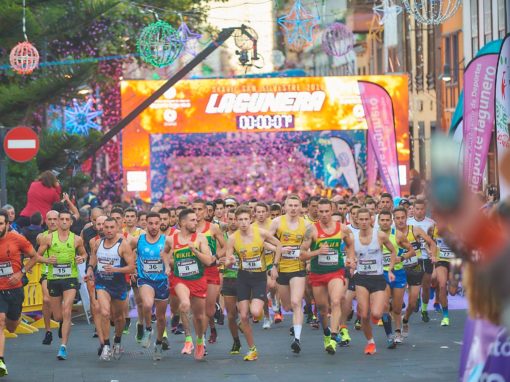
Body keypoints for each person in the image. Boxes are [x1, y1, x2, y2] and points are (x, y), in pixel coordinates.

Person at [225, 206, 282, 361]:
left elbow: (279, 246)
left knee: (255, 312)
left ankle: (262, 311)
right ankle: (252, 350)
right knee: (243, 316)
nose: (243, 223)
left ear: (250, 219)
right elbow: (228, 260)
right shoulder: (232, 238)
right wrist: (229, 261)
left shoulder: (261, 233)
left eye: (245, 219)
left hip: (259, 278)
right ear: (235, 221)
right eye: (240, 220)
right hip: (242, 277)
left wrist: (274, 267)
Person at [300, 198, 353, 355]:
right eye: (320, 211)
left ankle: (333, 337)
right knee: (323, 310)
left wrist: (351, 258)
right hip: (317, 274)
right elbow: (302, 255)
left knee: (336, 301)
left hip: (336, 271)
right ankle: (326, 334)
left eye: (326, 211)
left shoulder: (342, 229)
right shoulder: (312, 230)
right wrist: (317, 252)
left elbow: (350, 244)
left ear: (332, 210)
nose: (323, 214)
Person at [35, 210, 87, 360]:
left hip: (70, 278)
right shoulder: (48, 239)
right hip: (53, 279)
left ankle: (63, 346)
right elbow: (37, 256)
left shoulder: (77, 239)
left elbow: (84, 254)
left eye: (67, 219)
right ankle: (62, 322)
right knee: (58, 316)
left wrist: (81, 258)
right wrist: (47, 260)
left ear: (71, 222)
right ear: (57, 222)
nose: (64, 222)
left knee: (67, 310)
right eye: (61, 219)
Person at [164, 208, 215, 361]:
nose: (196, 222)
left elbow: (208, 261)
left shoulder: (200, 238)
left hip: (198, 280)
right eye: (192, 220)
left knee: (199, 317)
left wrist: (195, 251)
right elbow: (164, 253)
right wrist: (167, 266)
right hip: (180, 279)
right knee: (185, 303)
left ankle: (199, 341)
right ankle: (187, 338)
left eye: (196, 219)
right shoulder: (171, 239)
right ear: (182, 222)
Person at [87, 217, 135, 361]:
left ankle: (118, 341)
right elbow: (93, 257)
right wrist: (90, 268)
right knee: (105, 312)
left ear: (117, 228)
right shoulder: (98, 243)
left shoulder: (123, 245)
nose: (108, 230)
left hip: (118, 286)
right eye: (106, 227)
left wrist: (115, 269)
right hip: (102, 284)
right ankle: (106, 345)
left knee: (119, 318)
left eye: (111, 227)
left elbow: (132, 267)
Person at [351, 208, 397, 354]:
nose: (364, 222)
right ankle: (370, 342)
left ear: (371, 220)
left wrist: (389, 270)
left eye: (366, 219)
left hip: (377, 278)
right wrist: (351, 263)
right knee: (364, 314)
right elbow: (350, 256)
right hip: (361, 278)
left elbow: (393, 251)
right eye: (361, 219)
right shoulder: (352, 238)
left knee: (377, 314)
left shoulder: (380, 235)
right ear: (356, 220)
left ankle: (381, 326)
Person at [269, 194, 310, 353]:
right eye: (290, 205)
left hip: (298, 268)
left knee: (296, 302)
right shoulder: (277, 222)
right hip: (282, 269)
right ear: (284, 207)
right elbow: (264, 241)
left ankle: (297, 339)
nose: (293, 208)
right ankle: (295, 320)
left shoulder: (306, 225)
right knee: (287, 305)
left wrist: (307, 259)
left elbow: (310, 245)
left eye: (296, 205)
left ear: (300, 207)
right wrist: (278, 248)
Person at [0, 209, 37, 376]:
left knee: (12, 326)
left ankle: (16, 317)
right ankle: (1, 360)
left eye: (1, 223)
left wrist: (21, 273)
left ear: (7, 224)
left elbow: (34, 256)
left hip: (15, 289)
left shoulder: (17, 238)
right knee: (0, 321)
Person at [129, 212, 169, 360]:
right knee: (146, 304)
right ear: (145, 223)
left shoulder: (166, 241)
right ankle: (147, 328)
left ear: (160, 224)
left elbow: (172, 260)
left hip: (162, 281)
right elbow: (125, 251)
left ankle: (158, 345)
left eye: (156, 223)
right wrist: (131, 267)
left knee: (161, 318)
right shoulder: (138, 240)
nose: (153, 226)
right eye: (150, 223)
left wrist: (167, 263)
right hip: (145, 280)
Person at [393, 207, 436, 338]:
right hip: (398, 269)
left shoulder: (415, 230)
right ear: (393, 219)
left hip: (415, 267)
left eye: (402, 217)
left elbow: (431, 243)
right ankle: (397, 330)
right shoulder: (390, 234)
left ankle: (405, 319)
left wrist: (433, 255)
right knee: (397, 303)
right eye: (397, 218)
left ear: (406, 218)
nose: (400, 220)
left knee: (412, 303)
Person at [191, 199, 226, 345]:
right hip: (195, 272)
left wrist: (215, 257)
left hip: (211, 271)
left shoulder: (213, 228)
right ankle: (201, 341)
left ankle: (212, 327)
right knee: (199, 310)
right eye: (194, 209)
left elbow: (225, 247)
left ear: (206, 211)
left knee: (209, 310)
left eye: (200, 209)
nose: (197, 212)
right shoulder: (187, 230)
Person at [378, 210, 415, 344]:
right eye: (382, 220)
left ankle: (398, 330)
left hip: (398, 273)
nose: (385, 222)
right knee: (385, 304)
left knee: (397, 307)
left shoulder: (398, 235)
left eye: (387, 220)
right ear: (378, 221)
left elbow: (412, 251)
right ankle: (390, 334)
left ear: (391, 221)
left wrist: (402, 257)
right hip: (382, 273)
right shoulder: (374, 236)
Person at [407, 199, 436, 323]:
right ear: (413, 209)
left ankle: (424, 310)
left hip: (426, 258)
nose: (419, 211)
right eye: (417, 209)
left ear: (425, 209)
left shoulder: (431, 223)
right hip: (413, 258)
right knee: (412, 284)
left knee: (426, 286)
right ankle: (415, 297)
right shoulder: (408, 222)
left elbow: (434, 242)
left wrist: (433, 255)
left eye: (422, 209)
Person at [35, 210, 59, 345]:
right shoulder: (41, 237)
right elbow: (36, 256)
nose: (52, 222)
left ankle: (61, 321)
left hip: (63, 274)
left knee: (57, 303)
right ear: (45, 221)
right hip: (46, 272)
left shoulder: (67, 236)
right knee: (46, 299)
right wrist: (47, 260)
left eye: (55, 219)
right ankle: (48, 331)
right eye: (49, 219)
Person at [220, 210, 241, 354]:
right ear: (227, 220)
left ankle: (244, 321)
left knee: (245, 311)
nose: (233, 222)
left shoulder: (246, 236)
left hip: (244, 277)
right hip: (228, 278)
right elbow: (218, 258)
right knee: (231, 314)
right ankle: (236, 341)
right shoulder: (223, 238)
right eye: (231, 219)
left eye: (236, 219)